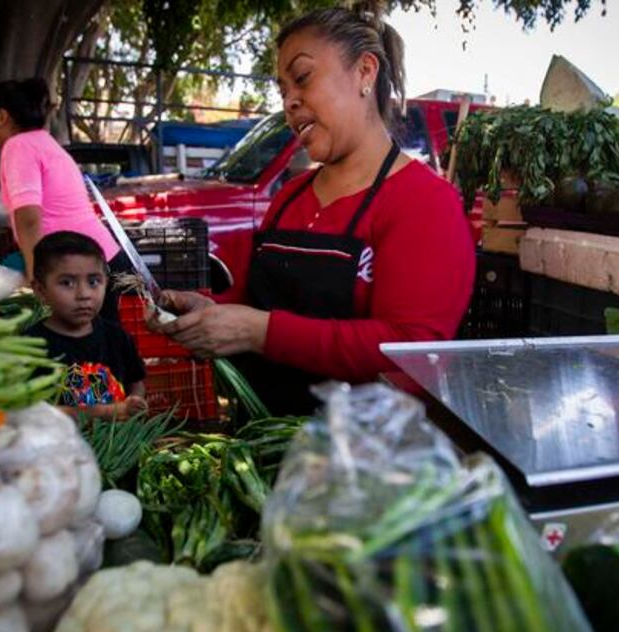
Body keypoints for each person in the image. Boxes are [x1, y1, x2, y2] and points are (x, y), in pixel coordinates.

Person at [147, 3, 476, 415]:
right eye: (283, 91)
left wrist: (260, 333)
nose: (289, 102)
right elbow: (255, 298)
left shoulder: (425, 203)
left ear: (365, 72)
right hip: (262, 442)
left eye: (302, 78)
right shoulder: (290, 197)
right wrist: (210, 310)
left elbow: (409, 352)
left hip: (354, 458)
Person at [0, 78, 131, 320]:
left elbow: (29, 217)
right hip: (99, 262)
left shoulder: (19, 146)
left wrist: (35, 277)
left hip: (82, 269)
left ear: (2, 116)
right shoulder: (45, 143)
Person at [26, 231, 147, 420]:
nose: (84, 294)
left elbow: (136, 382)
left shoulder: (117, 337)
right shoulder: (30, 347)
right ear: (41, 291)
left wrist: (135, 403)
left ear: (106, 283)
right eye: (67, 283)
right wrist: (108, 412)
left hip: (115, 444)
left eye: (94, 281)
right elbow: (30, 412)